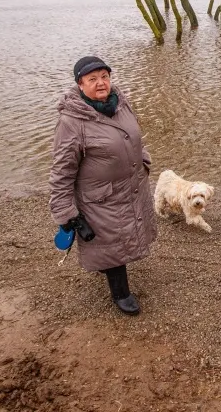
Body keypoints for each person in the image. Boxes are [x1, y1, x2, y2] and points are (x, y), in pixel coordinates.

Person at [49, 55, 156, 315]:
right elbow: (62, 170)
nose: (101, 83)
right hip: (100, 197)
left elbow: (133, 133)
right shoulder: (71, 121)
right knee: (112, 241)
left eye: (105, 77)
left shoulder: (121, 103)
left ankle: (105, 267)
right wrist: (65, 212)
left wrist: (143, 159)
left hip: (130, 184)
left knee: (124, 233)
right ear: (80, 84)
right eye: (93, 79)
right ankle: (121, 293)